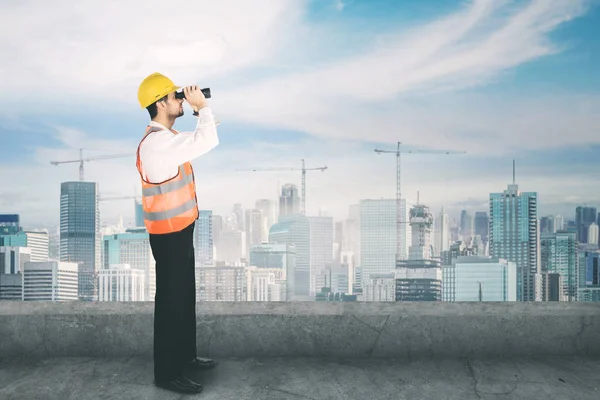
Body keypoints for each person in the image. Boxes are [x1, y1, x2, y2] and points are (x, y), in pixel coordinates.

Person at [136, 72, 219, 394]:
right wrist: (203, 109)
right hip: (169, 235)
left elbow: (197, 141)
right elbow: (207, 140)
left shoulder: (167, 140)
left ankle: (185, 357)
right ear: (161, 104)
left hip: (180, 229)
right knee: (171, 303)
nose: (180, 100)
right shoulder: (158, 144)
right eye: (175, 96)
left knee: (183, 298)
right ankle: (167, 374)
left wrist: (199, 112)